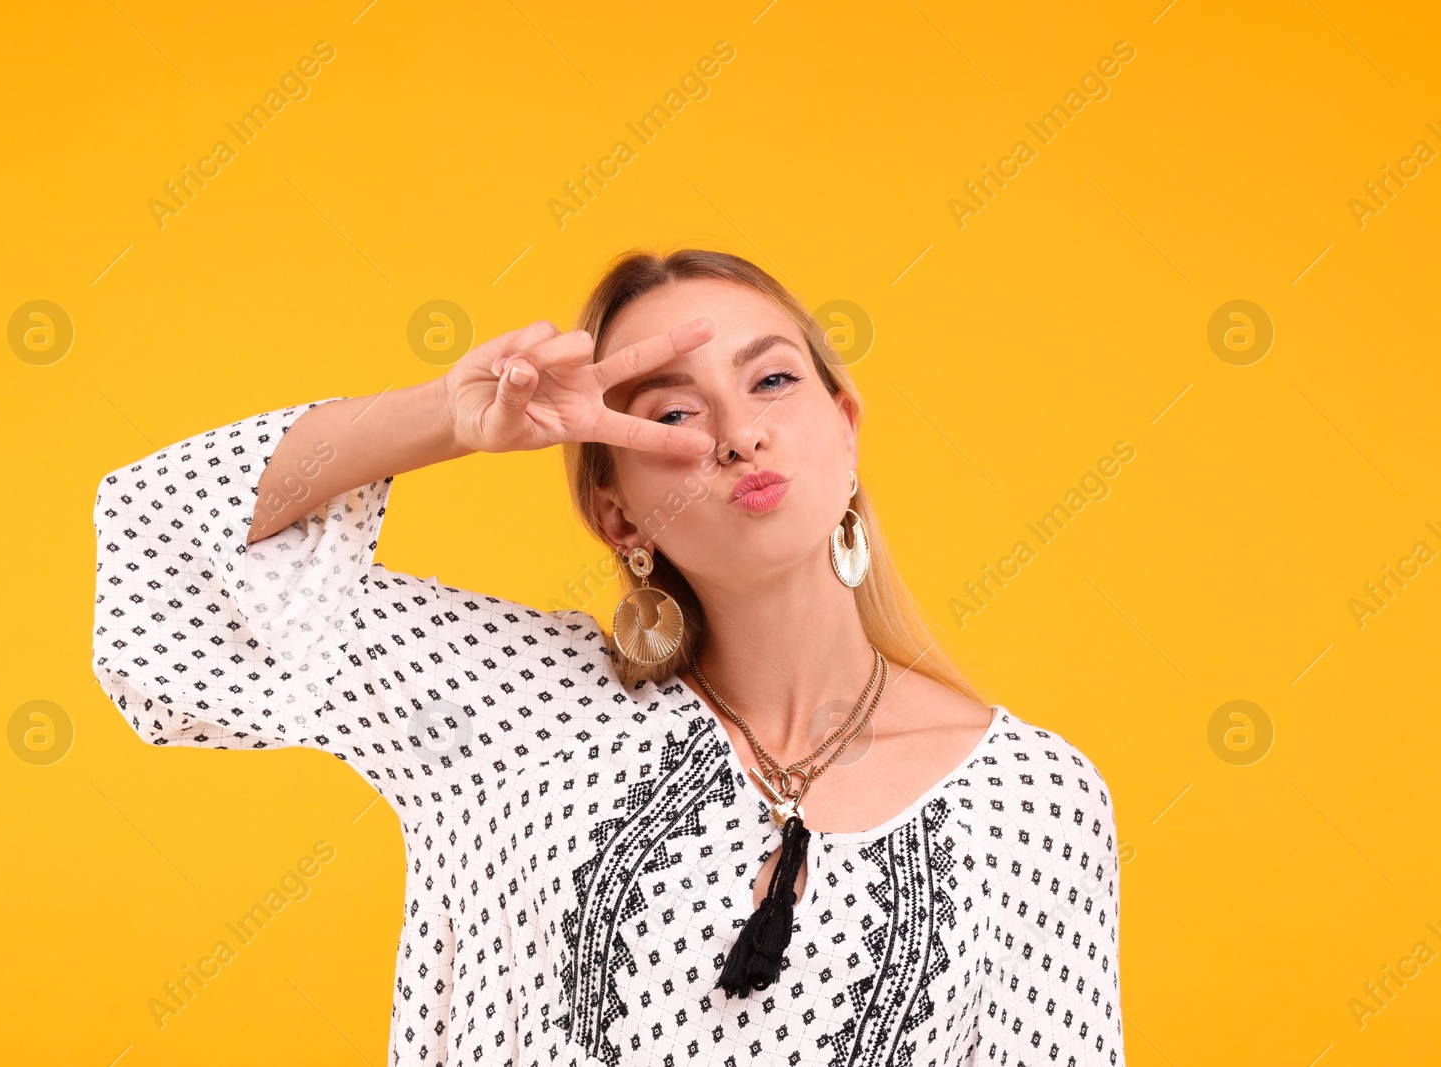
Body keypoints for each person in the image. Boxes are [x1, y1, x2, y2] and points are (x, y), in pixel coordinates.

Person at [92, 247, 1123, 1064]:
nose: (734, 431)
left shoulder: (1031, 800)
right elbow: (166, 543)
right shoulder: (521, 703)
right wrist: (444, 421)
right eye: (671, 410)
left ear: (845, 431)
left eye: (771, 379)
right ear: (613, 507)